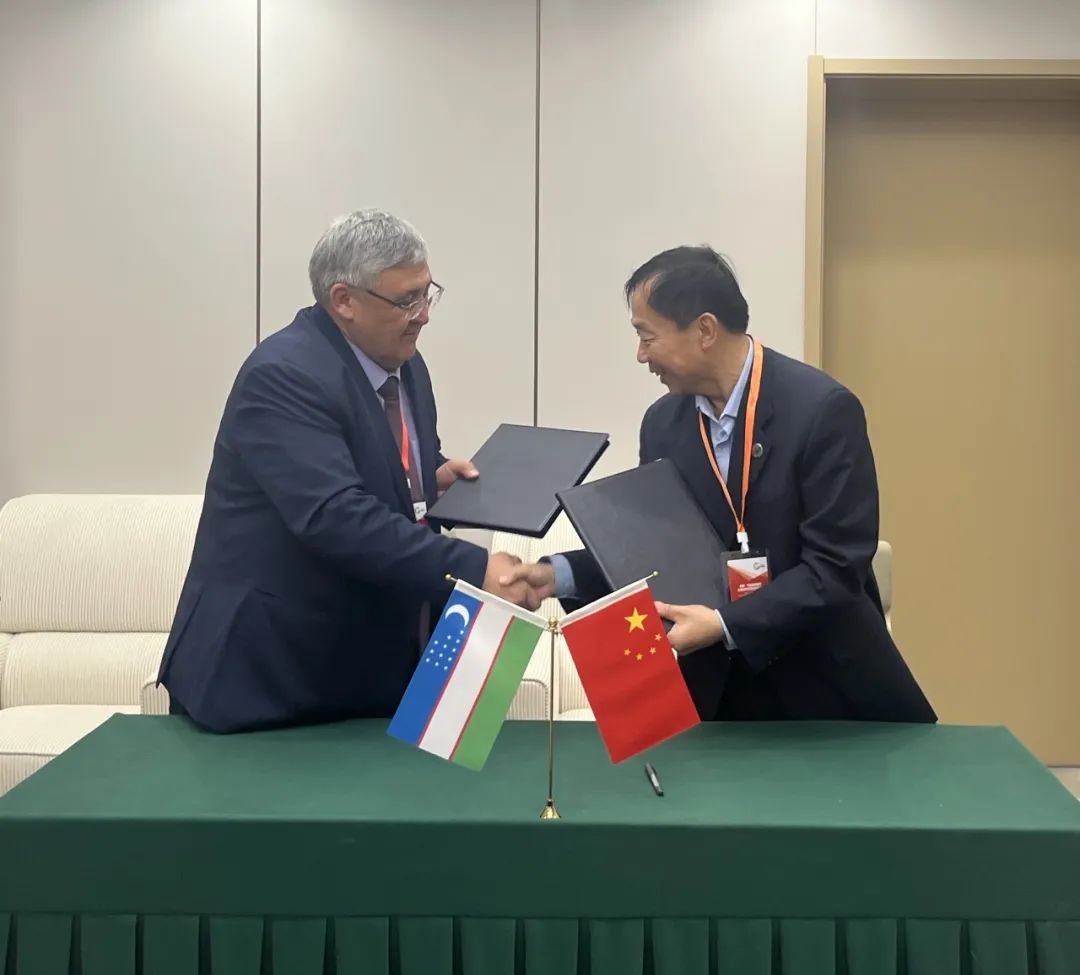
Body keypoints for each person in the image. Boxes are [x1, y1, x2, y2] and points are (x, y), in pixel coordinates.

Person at [503, 246, 936, 723]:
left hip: (825, 697)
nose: (641, 355)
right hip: (717, 698)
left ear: (705, 330)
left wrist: (725, 623)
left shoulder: (822, 411)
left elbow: (836, 567)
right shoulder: (663, 424)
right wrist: (557, 575)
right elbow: (653, 552)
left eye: (647, 336)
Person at [159, 209, 535, 732]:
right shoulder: (283, 375)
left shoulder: (405, 363)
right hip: (273, 678)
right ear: (344, 300)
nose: (424, 315)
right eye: (406, 300)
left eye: (427, 293)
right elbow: (333, 514)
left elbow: (374, 454)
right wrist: (474, 570)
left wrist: (428, 474)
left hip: (371, 669)